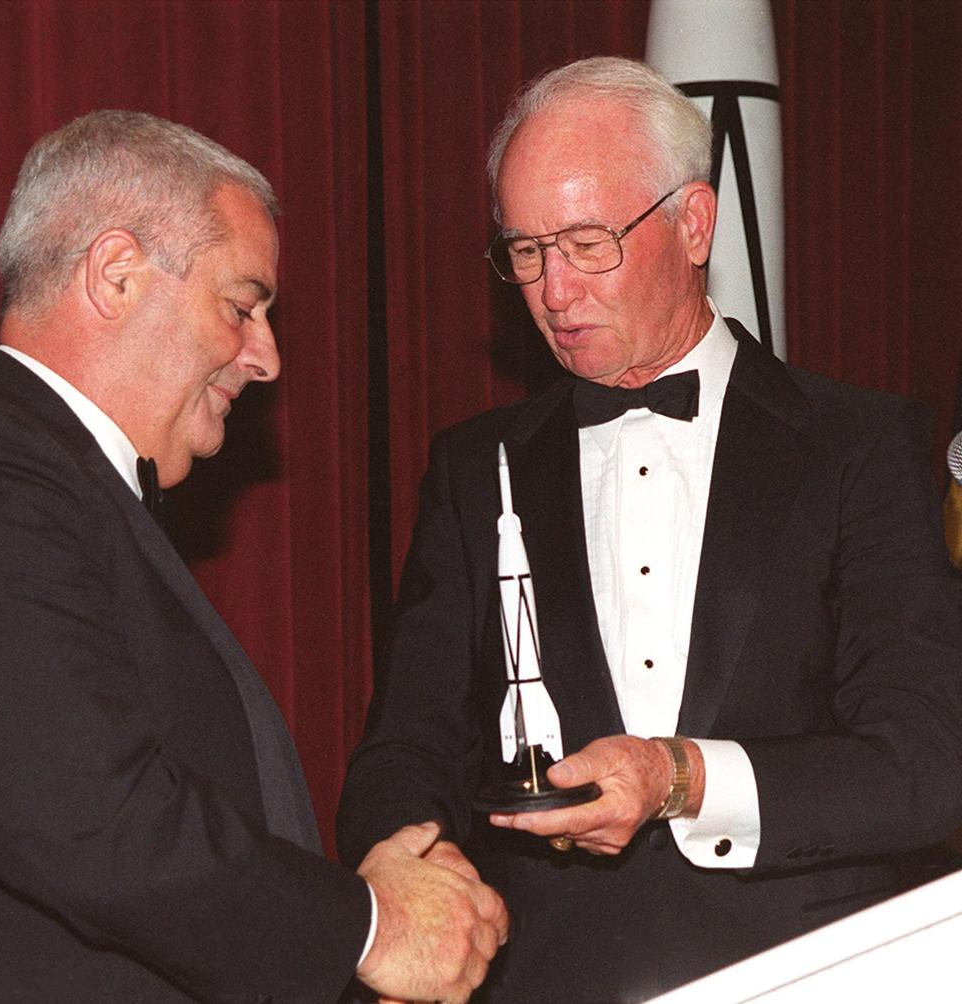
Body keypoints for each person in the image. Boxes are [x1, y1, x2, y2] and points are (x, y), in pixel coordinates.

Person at [0, 110, 507, 1004]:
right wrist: (369, 927)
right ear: (116, 274)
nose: (267, 356)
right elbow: (81, 818)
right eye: (241, 306)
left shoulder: (57, 495)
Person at [337, 56, 962, 1003]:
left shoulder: (859, 447)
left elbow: (925, 764)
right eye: (525, 250)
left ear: (696, 221)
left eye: (587, 243)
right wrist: (400, 869)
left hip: (819, 976)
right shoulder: (474, 469)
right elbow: (408, 747)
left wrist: (679, 776)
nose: (553, 290)